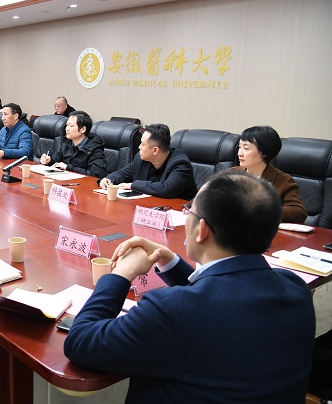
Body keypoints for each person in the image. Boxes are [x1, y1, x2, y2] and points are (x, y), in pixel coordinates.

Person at [64, 171, 315, 403]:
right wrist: (169, 261)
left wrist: (120, 275)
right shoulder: (295, 289)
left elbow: (80, 342)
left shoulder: (171, 311)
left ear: (201, 229)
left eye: (189, 213)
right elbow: (218, 297)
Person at [99, 123, 197, 200]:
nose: (139, 147)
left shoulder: (180, 164)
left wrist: (133, 185)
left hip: (176, 213)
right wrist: (109, 179)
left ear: (155, 150)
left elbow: (167, 189)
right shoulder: (141, 159)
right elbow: (124, 173)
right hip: (149, 207)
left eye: (142, 144)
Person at [231, 125, 306, 223]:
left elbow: (299, 212)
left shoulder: (283, 180)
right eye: (239, 147)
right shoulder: (233, 173)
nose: (239, 153)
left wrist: (263, 210)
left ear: (264, 153)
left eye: (246, 148)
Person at [40, 111, 107, 178]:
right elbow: (57, 163)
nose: (67, 129)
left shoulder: (94, 149)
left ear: (83, 129)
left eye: (71, 126)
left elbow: (97, 175)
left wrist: (68, 167)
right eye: (67, 125)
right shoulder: (66, 142)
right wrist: (49, 161)